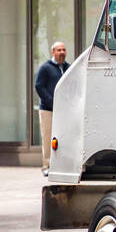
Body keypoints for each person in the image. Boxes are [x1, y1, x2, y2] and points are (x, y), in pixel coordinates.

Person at [34, 42, 68, 175]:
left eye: (64, 50)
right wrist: (51, 101)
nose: (62, 52)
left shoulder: (68, 68)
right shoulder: (45, 68)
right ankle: (47, 166)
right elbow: (39, 86)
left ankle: (62, 165)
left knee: (64, 138)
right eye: (59, 50)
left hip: (64, 111)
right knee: (48, 138)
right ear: (53, 52)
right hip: (48, 110)